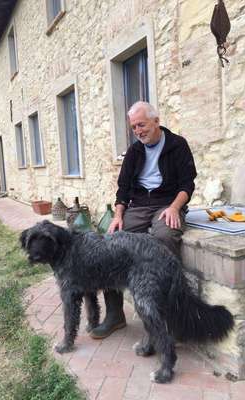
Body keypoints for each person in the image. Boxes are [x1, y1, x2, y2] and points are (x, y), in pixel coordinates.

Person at [90, 101, 197, 339]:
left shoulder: (177, 145)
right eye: (134, 127)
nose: (138, 131)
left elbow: (187, 184)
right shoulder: (134, 151)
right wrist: (118, 216)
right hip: (138, 206)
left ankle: (171, 318)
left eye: (141, 125)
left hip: (166, 204)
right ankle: (115, 314)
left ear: (156, 121)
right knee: (109, 242)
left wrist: (174, 208)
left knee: (164, 237)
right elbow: (123, 189)